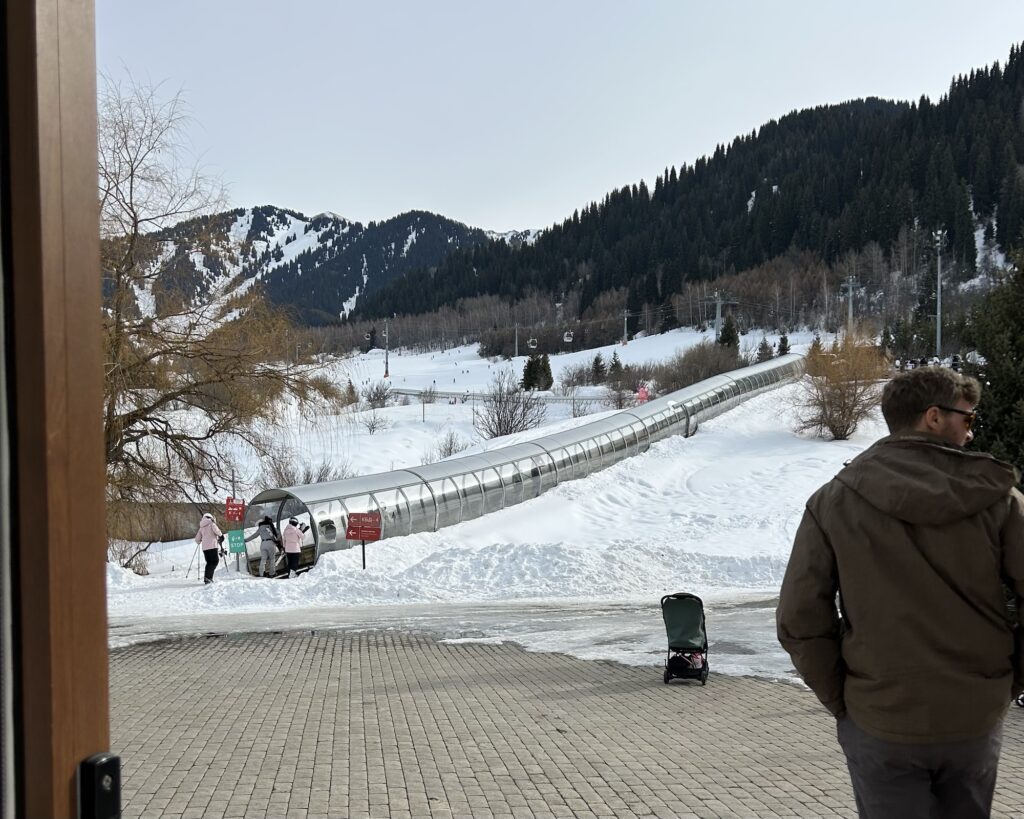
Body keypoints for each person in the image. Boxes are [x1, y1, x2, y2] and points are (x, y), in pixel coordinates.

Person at [777, 367, 1024, 818]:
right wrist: (1007, 683)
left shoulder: (833, 501)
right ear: (933, 417)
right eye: (968, 420)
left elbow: (799, 618)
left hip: (879, 717)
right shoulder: (1000, 499)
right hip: (974, 714)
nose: (972, 433)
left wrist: (844, 701)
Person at [194, 512, 223, 585]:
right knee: (215, 561)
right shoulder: (212, 524)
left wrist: (200, 540)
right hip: (212, 546)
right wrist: (221, 536)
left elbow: (197, 539)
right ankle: (208, 578)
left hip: (205, 548)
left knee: (209, 562)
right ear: (210, 518)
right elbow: (218, 532)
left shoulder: (201, 527)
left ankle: (208, 578)